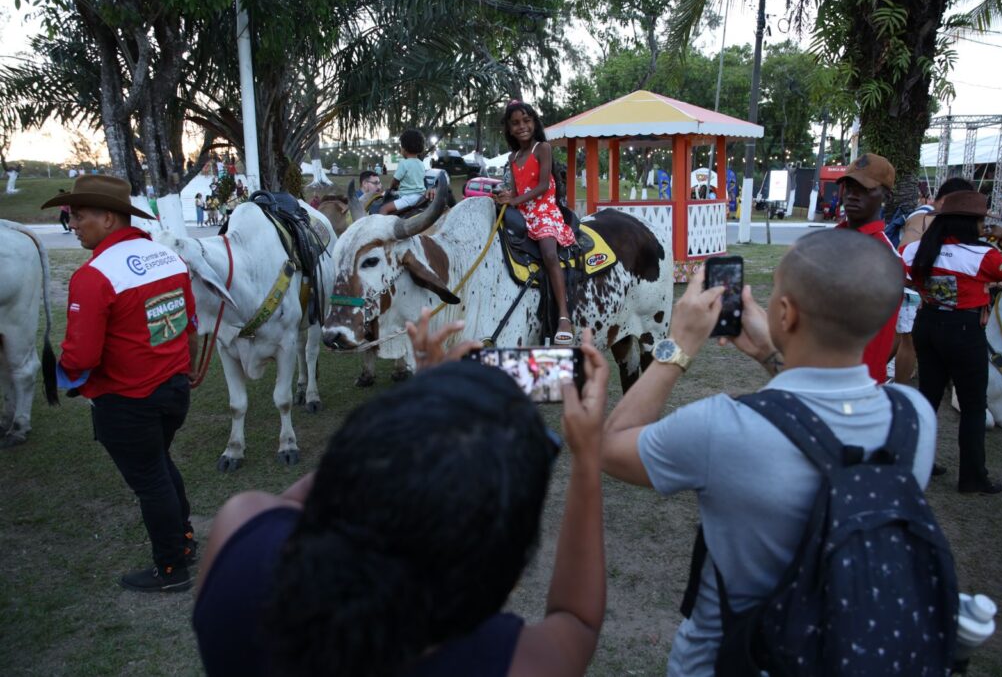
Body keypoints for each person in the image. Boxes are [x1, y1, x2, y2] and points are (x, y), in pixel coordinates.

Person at [193, 311, 609, 677]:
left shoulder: (238, 533)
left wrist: (416, 407)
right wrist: (588, 458)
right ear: (507, 577)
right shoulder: (516, 665)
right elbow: (576, 619)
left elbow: (337, 481)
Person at [599, 230, 937, 677]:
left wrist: (676, 347)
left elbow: (612, 445)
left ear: (784, 313)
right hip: (846, 647)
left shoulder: (724, 426)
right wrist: (770, 353)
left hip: (729, 660)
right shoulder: (914, 417)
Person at [41, 175, 200, 593]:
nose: (72, 223)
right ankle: (183, 541)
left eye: (78, 215)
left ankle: (171, 569)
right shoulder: (165, 257)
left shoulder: (93, 277)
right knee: (160, 466)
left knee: (150, 478)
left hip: (129, 401)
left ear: (108, 217)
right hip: (173, 389)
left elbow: (82, 357)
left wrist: (64, 377)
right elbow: (190, 324)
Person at [902, 190, 1002, 494]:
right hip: (964, 331)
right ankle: (972, 476)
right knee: (972, 406)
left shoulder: (917, 250)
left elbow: (903, 273)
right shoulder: (983, 256)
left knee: (928, 397)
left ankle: (920, 461)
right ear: (974, 223)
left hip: (927, 324)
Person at [494, 100, 576, 345]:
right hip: (523, 211)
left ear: (534, 123)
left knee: (549, 252)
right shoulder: (513, 156)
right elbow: (518, 188)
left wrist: (517, 199)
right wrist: (508, 197)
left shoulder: (543, 148)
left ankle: (563, 315)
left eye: (526, 121)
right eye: (516, 123)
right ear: (509, 128)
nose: (522, 126)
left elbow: (541, 186)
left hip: (544, 210)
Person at [891, 177, 975, 386]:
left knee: (902, 338)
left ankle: (889, 381)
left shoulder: (934, 218)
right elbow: (905, 253)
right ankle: (899, 388)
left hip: (915, 289)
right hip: (912, 290)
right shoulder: (925, 218)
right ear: (947, 200)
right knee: (907, 342)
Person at [834, 153, 900, 383]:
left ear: (886, 196)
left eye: (864, 189)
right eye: (849, 187)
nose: (852, 196)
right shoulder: (830, 239)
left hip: (858, 383)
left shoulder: (884, 257)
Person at [379, 130, 430, 216]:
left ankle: (379, 228)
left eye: (401, 146)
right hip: (421, 195)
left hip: (409, 198)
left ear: (405, 149)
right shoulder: (421, 163)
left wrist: (391, 188)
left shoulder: (403, 163)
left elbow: (395, 181)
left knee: (383, 209)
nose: (401, 149)